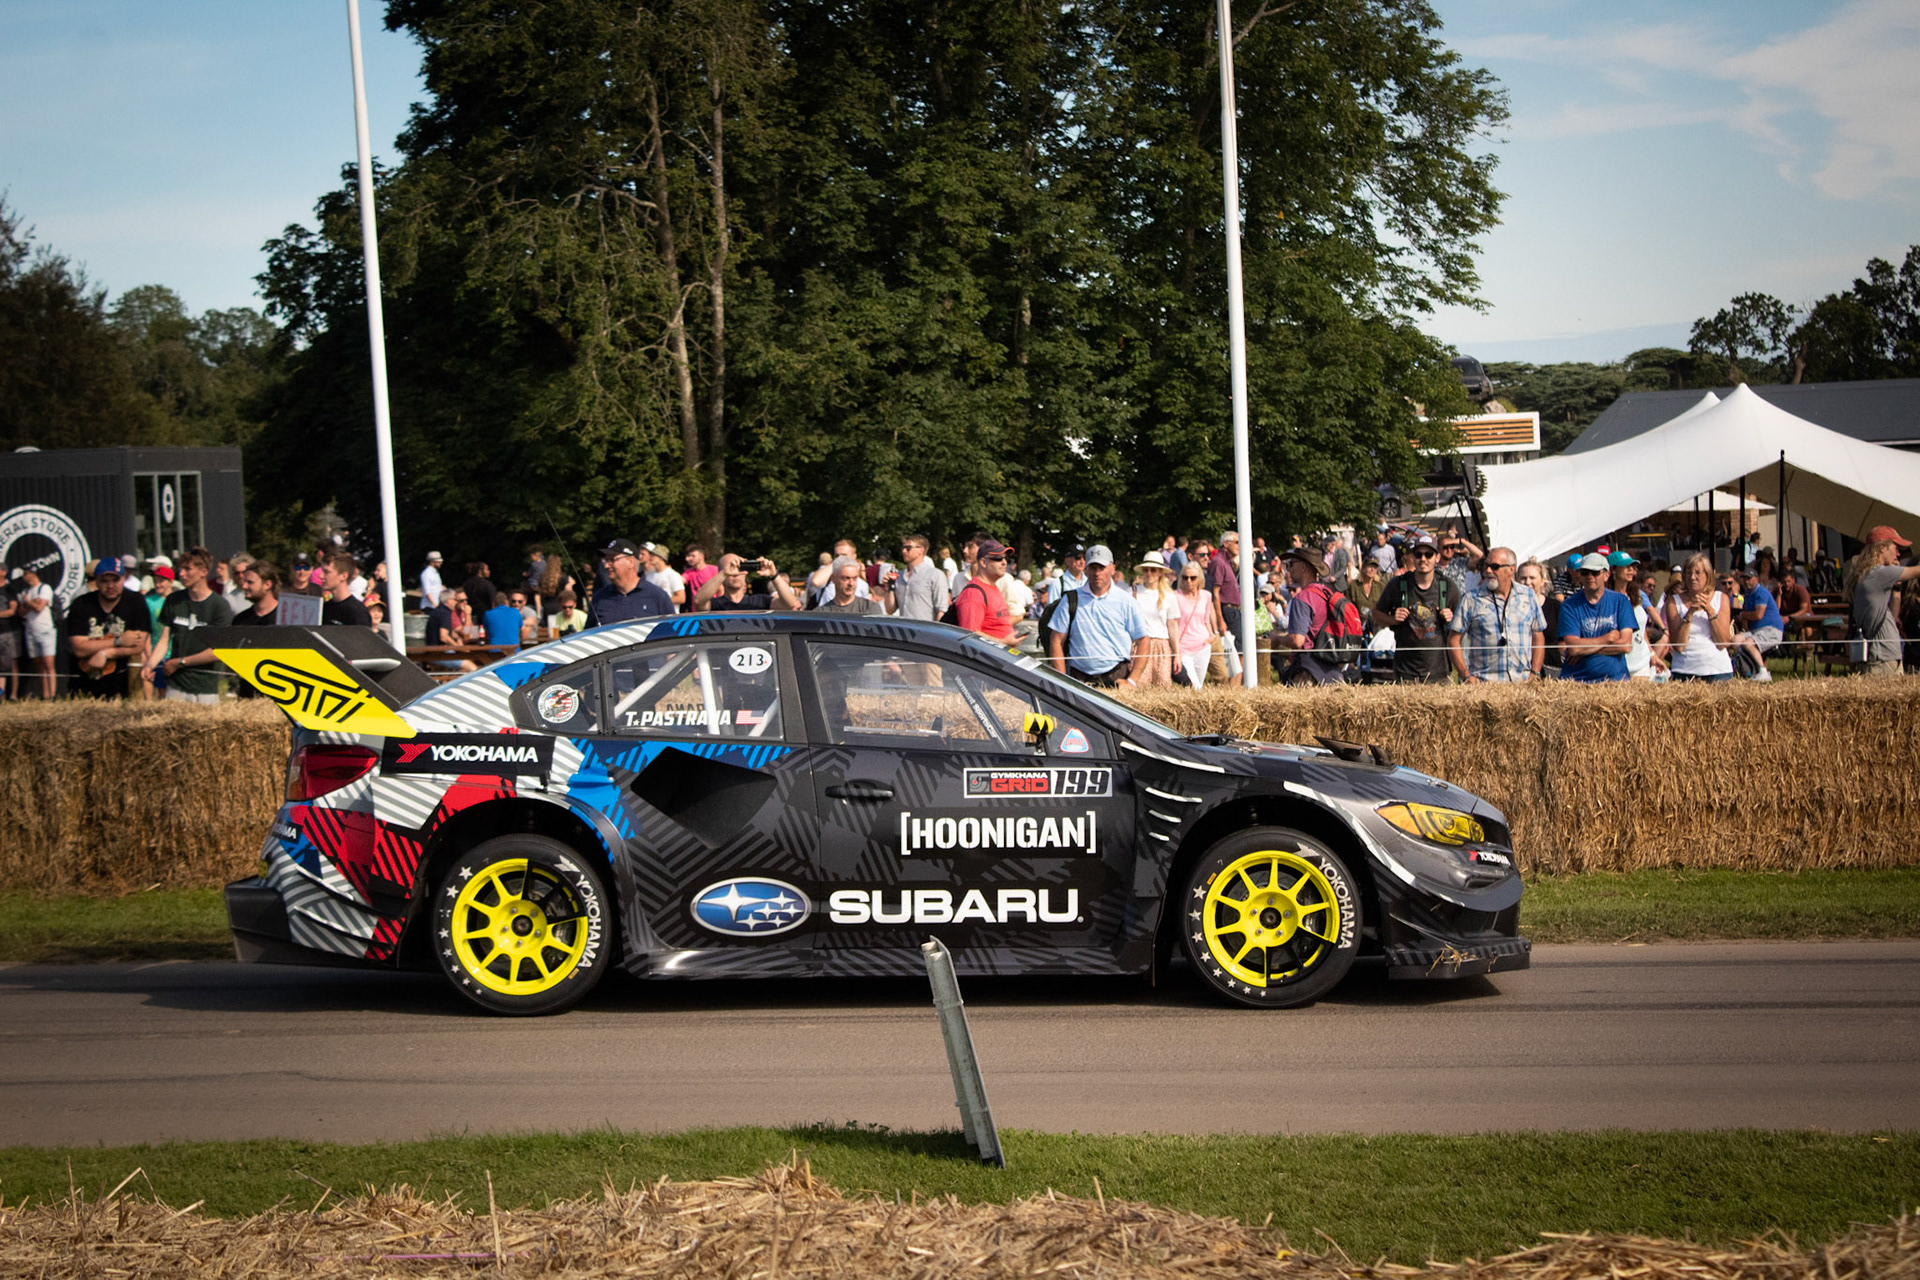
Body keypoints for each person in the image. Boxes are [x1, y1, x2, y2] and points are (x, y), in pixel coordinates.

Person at [1047, 544, 1153, 687]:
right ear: (1086, 569)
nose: (1097, 573)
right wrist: (1062, 680)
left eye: (1101, 568)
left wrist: (1132, 681)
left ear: (1112, 569)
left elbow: (1143, 640)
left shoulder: (1126, 601)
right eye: (1093, 567)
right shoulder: (1070, 600)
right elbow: (1056, 639)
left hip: (1116, 678)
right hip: (1078, 678)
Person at [141, 548, 233, 703]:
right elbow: (164, 640)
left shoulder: (219, 606)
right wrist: (150, 665)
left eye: (187, 569)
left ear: (203, 572)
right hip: (176, 686)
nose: (181, 574)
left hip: (205, 688)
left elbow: (218, 651)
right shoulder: (173, 600)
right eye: (180, 569)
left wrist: (180, 662)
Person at [1447, 546, 1545, 683]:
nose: (1488, 571)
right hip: (1485, 684)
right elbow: (1453, 640)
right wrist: (1466, 675)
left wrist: (1535, 672)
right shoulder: (1471, 599)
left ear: (1511, 569)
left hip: (1521, 683)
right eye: (1486, 565)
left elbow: (1538, 636)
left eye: (1494, 567)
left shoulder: (1528, 596)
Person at [1371, 532, 1458, 683]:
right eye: (1418, 554)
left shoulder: (1447, 586)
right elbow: (1376, 614)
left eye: (1428, 554)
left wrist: (1452, 619)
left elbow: (1464, 623)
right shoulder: (1398, 584)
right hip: (1406, 673)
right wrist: (1392, 619)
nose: (1423, 559)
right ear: (1413, 557)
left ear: (1437, 558)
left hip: (1440, 673)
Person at [62, 558, 151, 699]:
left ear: (123, 579)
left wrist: (105, 653)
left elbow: (137, 646)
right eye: (104, 581)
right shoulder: (81, 604)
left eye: (115, 580)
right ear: (96, 581)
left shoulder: (135, 602)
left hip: (122, 685)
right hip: (84, 683)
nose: (110, 586)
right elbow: (78, 648)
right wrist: (118, 641)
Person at [1844, 526, 1920, 678]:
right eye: (1896, 548)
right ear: (1882, 548)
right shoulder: (1878, 573)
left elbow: (1892, 616)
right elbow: (1915, 571)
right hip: (1881, 659)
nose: (1898, 554)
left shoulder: (1868, 574)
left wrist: (1896, 589)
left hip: (1884, 657)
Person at [1279, 547, 1349, 686]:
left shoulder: (1303, 598)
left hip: (1309, 673)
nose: (1288, 570)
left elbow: (1297, 641)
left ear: (1304, 567)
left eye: (1291, 564)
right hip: (1332, 671)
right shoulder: (1328, 592)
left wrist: (1277, 639)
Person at [1661, 553, 1735, 683]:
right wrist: (1689, 614)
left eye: (1697, 573)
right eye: (1689, 573)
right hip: (1685, 671)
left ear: (1707, 575)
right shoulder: (1673, 602)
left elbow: (1723, 642)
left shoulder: (1721, 598)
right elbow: (1678, 646)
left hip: (1718, 671)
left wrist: (1709, 610)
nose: (1692, 577)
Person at [587, 539, 676, 626]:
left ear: (630, 562)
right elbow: (589, 636)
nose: (606, 565)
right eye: (606, 560)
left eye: (612, 560)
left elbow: (672, 634)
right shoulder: (599, 599)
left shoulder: (658, 596)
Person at [1130, 552, 1180, 687]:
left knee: (1162, 686)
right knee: (1139, 684)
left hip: (1161, 644)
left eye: (1153, 570)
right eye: (1146, 570)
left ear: (1160, 572)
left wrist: (1177, 654)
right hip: (1140, 643)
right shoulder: (1133, 592)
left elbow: (1172, 625)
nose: (1149, 573)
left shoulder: (1168, 595)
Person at [953, 539, 1017, 641]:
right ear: (983, 562)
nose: (1004, 563)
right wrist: (1002, 642)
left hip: (999, 654)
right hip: (985, 655)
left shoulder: (994, 588)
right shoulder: (973, 593)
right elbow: (969, 636)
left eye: (1006, 558)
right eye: (998, 558)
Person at [881, 534, 952, 621]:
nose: (904, 551)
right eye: (903, 548)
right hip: (904, 631)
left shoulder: (935, 575)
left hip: (926, 631)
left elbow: (941, 611)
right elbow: (890, 610)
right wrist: (889, 588)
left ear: (921, 550)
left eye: (908, 548)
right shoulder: (899, 576)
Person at [1171, 559, 1218, 689]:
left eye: (1193, 578)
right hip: (1183, 647)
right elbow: (1171, 622)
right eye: (1185, 578)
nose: (1189, 581)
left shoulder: (1206, 596)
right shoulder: (1175, 596)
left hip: (1202, 645)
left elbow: (1206, 618)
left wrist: (1211, 634)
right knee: (1193, 685)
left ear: (1199, 579)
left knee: (1200, 685)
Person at [698, 553, 802, 611]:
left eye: (740, 568)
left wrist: (774, 575)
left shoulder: (760, 601)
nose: (736, 573)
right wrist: (724, 573)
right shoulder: (715, 604)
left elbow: (790, 604)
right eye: (731, 568)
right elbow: (698, 601)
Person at [1733, 564, 1782, 680]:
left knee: (1748, 643)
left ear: (1756, 579)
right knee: (1735, 640)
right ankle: (1746, 670)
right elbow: (1746, 618)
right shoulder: (1747, 595)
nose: (1746, 581)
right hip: (1756, 631)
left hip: (1772, 630)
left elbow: (1758, 615)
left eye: (1749, 579)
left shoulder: (1762, 593)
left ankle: (1763, 672)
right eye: (1744, 579)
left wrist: (1743, 615)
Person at [814, 555, 884, 614]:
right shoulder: (821, 613)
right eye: (845, 578)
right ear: (833, 578)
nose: (851, 583)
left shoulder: (870, 609)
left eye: (854, 578)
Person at [321, 554, 373, 628]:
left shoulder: (357, 612)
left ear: (344, 576)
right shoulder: (325, 608)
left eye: (327, 572)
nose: (321, 576)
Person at [232, 560, 281, 628]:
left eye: (250, 582)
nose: (244, 586)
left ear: (267, 585)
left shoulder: (284, 618)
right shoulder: (241, 620)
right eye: (244, 582)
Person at [644, 544, 687, 609]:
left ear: (661, 557)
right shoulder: (649, 576)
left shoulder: (672, 575)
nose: (650, 557)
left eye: (653, 555)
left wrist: (660, 602)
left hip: (670, 617)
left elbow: (681, 598)